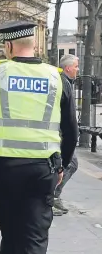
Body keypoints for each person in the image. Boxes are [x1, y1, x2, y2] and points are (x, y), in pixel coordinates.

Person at [0, 20, 78, 254]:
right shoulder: (58, 79)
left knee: (11, 235)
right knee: (35, 238)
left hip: (5, 169)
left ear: (9, 46)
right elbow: (71, 131)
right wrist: (62, 167)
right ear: (34, 44)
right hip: (43, 169)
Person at [53, 54, 79, 216]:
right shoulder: (63, 83)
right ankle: (52, 196)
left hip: (59, 132)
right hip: (59, 134)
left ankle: (53, 196)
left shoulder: (63, 81)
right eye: (76, 66)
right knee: (69, 163)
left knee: (69, 164)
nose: (78, 69)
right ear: (68, 68)